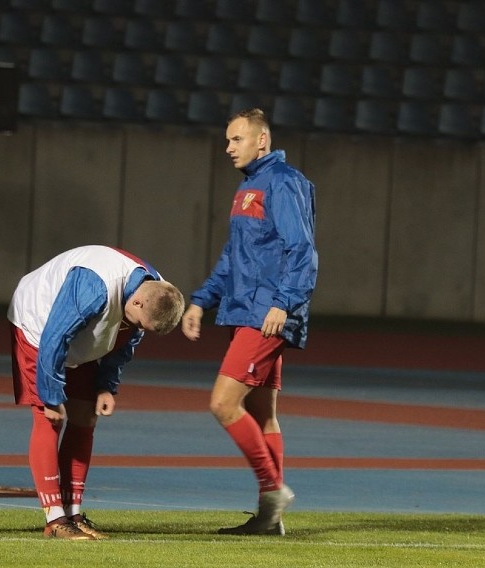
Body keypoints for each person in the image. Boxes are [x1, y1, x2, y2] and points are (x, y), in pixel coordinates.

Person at [182, 108, 317, 536]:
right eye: (227, 140)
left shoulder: (282, 182)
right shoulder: (249, 188)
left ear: (262, 141)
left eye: (236, 140)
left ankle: (272, 489)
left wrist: (285, 303)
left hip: (267, 315)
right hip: (247, 310)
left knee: (223, 403)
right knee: (263, 416)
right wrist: (201, 300)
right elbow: (232, 258)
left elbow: (303, 251)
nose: (228, 148)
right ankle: (269, 520)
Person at [8, 245, 185, 540]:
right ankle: (54, 520)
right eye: (140, 323)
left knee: (85, 417)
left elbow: (126, 340)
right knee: (49, 418)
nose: (137, 328)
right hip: (38, 325)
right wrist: (51, 395)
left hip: (82, 332)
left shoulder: (154, 290)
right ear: (138, 303)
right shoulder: (95, 285)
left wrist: (106, 386)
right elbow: (56, 335)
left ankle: (73, 512)